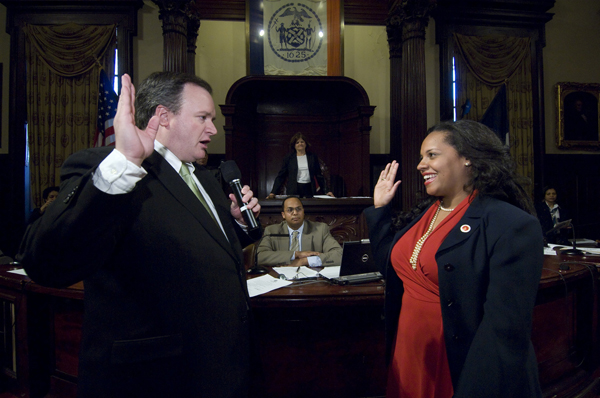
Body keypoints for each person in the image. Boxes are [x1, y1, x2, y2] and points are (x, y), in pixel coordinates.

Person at [18, 72, 262, 398]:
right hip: (154, 379)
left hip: (221, 371)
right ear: (164, 117)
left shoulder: (205, 179)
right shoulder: (113, 168)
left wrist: (239, 227)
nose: (213, 130)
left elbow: (195, 246)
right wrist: (125, 163)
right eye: (203, 117)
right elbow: (46, 260)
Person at [364, 120, 543, 398]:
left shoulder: (510, 223)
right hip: (409, 352)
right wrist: (380, 210)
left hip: (462, 362)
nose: (420, 165)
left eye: (432, 155)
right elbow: (397, 269)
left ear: (468, 158)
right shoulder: (426, 212)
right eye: (421, 157)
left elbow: (503, 331)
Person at [257, 196, 342, 267]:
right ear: (283, 215)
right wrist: (296, 254)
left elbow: (339, 255)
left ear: (303, 211)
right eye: (290, 210)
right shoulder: (272, 231)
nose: (295, 213)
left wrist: (305, 261)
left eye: (298, 209)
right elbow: (259, 257)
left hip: (311, 280)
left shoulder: (320, 229)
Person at [267, 132, 334, 199]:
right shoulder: (289, 158)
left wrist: (327, 191)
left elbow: (319, 175)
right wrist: (273, 192)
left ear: (305, 144)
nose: (300, 144)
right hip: (294, 190)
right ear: (294, 145)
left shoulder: (312, 157)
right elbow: (281, 176)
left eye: (302, 142)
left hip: (309, 189)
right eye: (297, 142)